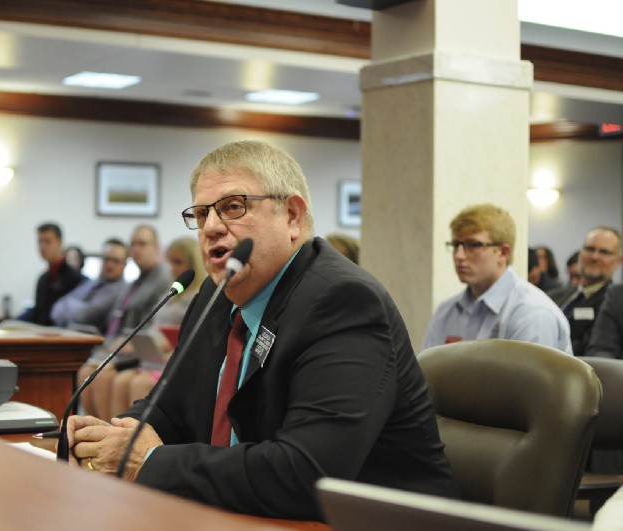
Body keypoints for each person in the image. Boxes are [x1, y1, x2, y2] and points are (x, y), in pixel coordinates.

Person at [65, 140, 457, 521]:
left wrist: (149, 461)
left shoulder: (343, 302)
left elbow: (306, 474)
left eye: (233, 207)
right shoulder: (215, 298)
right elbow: (168, 410)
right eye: (201, 215)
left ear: (292, 216)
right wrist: (110, 436)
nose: (212, 228)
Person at [422, 204, 572, 353]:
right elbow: (425, 373)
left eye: (473, 245)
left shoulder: (532, 313)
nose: (459, 255)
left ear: (503, 253)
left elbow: (527, 377)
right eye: (456, 245)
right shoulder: (446, 312)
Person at [76, 225, 172, 420]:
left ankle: (106, 431)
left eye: (142, 244)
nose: (136, 249)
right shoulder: (134, 282)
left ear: (156, 248)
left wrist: (126, 343)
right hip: (119, 347)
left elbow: (151, 326)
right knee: (86, 371)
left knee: (101, 376)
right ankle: (96, 430)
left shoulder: (163, 280)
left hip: (137, 352)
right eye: (133, 244)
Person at [109, 236, 207, 416]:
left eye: (179, 262)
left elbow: (188, 336)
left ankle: (131, 438)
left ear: (195, 264)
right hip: (153, 357)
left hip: (171, 359)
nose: (174, 268)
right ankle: (111, 432)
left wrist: (164, 344)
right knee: (120, 380)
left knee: (137, 383)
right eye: (171, 262)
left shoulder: (199, 296)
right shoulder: (173, 292)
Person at [547, 227, 623, 356]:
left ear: (618, 261)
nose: (594, 257)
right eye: (590, 249)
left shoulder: (613, 304)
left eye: (604, 252)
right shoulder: (553, 296)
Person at [50, 238, 129, 332]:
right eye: (106, 259)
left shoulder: (122, 291)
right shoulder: (90, 283)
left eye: (116, 261)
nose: (110, 265)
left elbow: (84, 316)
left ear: (125, 264)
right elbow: (55, 310)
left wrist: (68, 303)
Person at [18, 222, 83, 326]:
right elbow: (38, 313)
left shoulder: (76, 279)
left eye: (48, 241)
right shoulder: (42, 279)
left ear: (60, 242)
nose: (42, 247)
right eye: (40, 241)